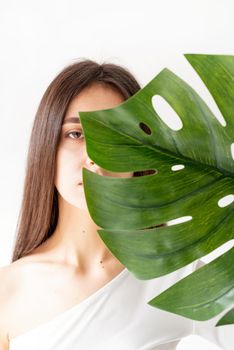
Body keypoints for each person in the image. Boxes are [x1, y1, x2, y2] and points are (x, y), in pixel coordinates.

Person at [0, 59, 232, 350]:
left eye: (114, 135)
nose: (95, 156)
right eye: (75, 134)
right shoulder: (7, 291)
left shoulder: (175, 276)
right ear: (46, 146)